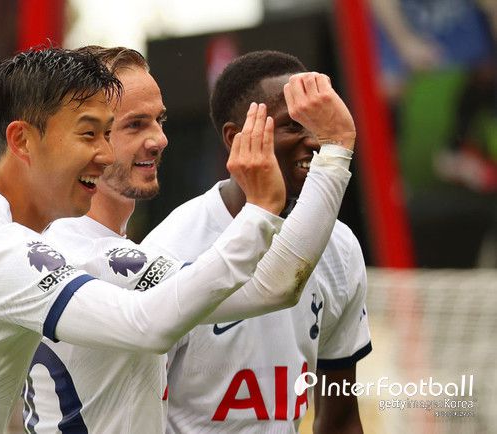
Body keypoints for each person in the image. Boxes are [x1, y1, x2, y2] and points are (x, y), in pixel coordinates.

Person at [0, 47, 292, 433]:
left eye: (108, 133)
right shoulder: (1, 251)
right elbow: (147, 324)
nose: (105, 154)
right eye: (88, 133)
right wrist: (259, 211)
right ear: (22, 139)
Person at [24, 46, 357, 433]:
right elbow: (276, 285)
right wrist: (334, 149)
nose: (160, 139)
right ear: (84, 138)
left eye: (159, 120)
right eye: (135, 125)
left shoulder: (76, 246)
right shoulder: (95, 259)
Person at [143, 51, 372, 433]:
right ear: (237, 139)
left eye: (319, 123)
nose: (315, 140)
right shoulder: (170, 250)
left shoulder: (340, 247)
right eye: (293, 125)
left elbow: (341, 418)